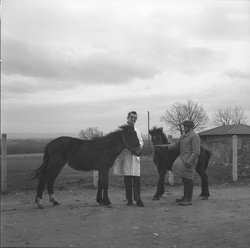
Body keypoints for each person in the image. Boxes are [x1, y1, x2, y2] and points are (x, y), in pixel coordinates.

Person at [155, 120, 200, 206]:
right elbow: (176, 145)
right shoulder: (183, 135)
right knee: (184, 177)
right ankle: (185, 197)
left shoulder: (194, 136)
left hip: (189, 159)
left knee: (188, 179)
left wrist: (189, 161)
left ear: (191, 127)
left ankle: (189, 199)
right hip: (183, 158)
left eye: (187, 126)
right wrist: (165, 147)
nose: (185, 127)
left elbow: (196, 152)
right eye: (184, 126)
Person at [113, 111, 144, 207]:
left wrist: (138, 147)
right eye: (132, 117)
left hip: (135, 158)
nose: (133, 119)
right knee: (127, 180)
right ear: (128, 118)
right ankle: (129, 199)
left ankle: (138, 199)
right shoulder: (123, 131)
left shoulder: (137, 130)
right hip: (126, 157)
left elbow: (141, 142)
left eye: (135, 118)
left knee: (137, 180)